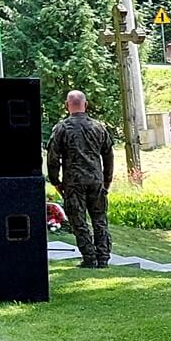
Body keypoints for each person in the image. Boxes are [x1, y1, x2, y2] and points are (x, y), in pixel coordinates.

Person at [45, 89, 115, 269]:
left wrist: (55, 181)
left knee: (78, 220)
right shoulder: (99, 127)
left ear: (66, 106)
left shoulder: (61, 128)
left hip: (73, 182)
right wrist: (107, 180)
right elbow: (108, 155)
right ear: (86, 105)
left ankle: (89, 257)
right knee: (99, 218)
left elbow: (53, 158)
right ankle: (103, 257)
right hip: (96, 180)